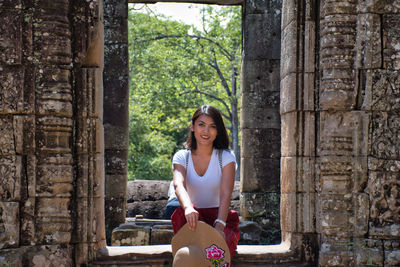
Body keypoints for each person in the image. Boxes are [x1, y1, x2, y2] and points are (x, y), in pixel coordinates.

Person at [171, 105, 240, 259]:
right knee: (191, 254)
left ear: (218, 131)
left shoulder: (226, 157)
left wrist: (220, 224)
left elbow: (225, 193)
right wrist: (188, 207)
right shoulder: (182, 156)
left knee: (215, 254)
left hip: (219, 216)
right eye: (201, 125)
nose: (206, 131)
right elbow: (178, 184)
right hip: (191, 217)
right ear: (192, 126)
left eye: (212, 126)